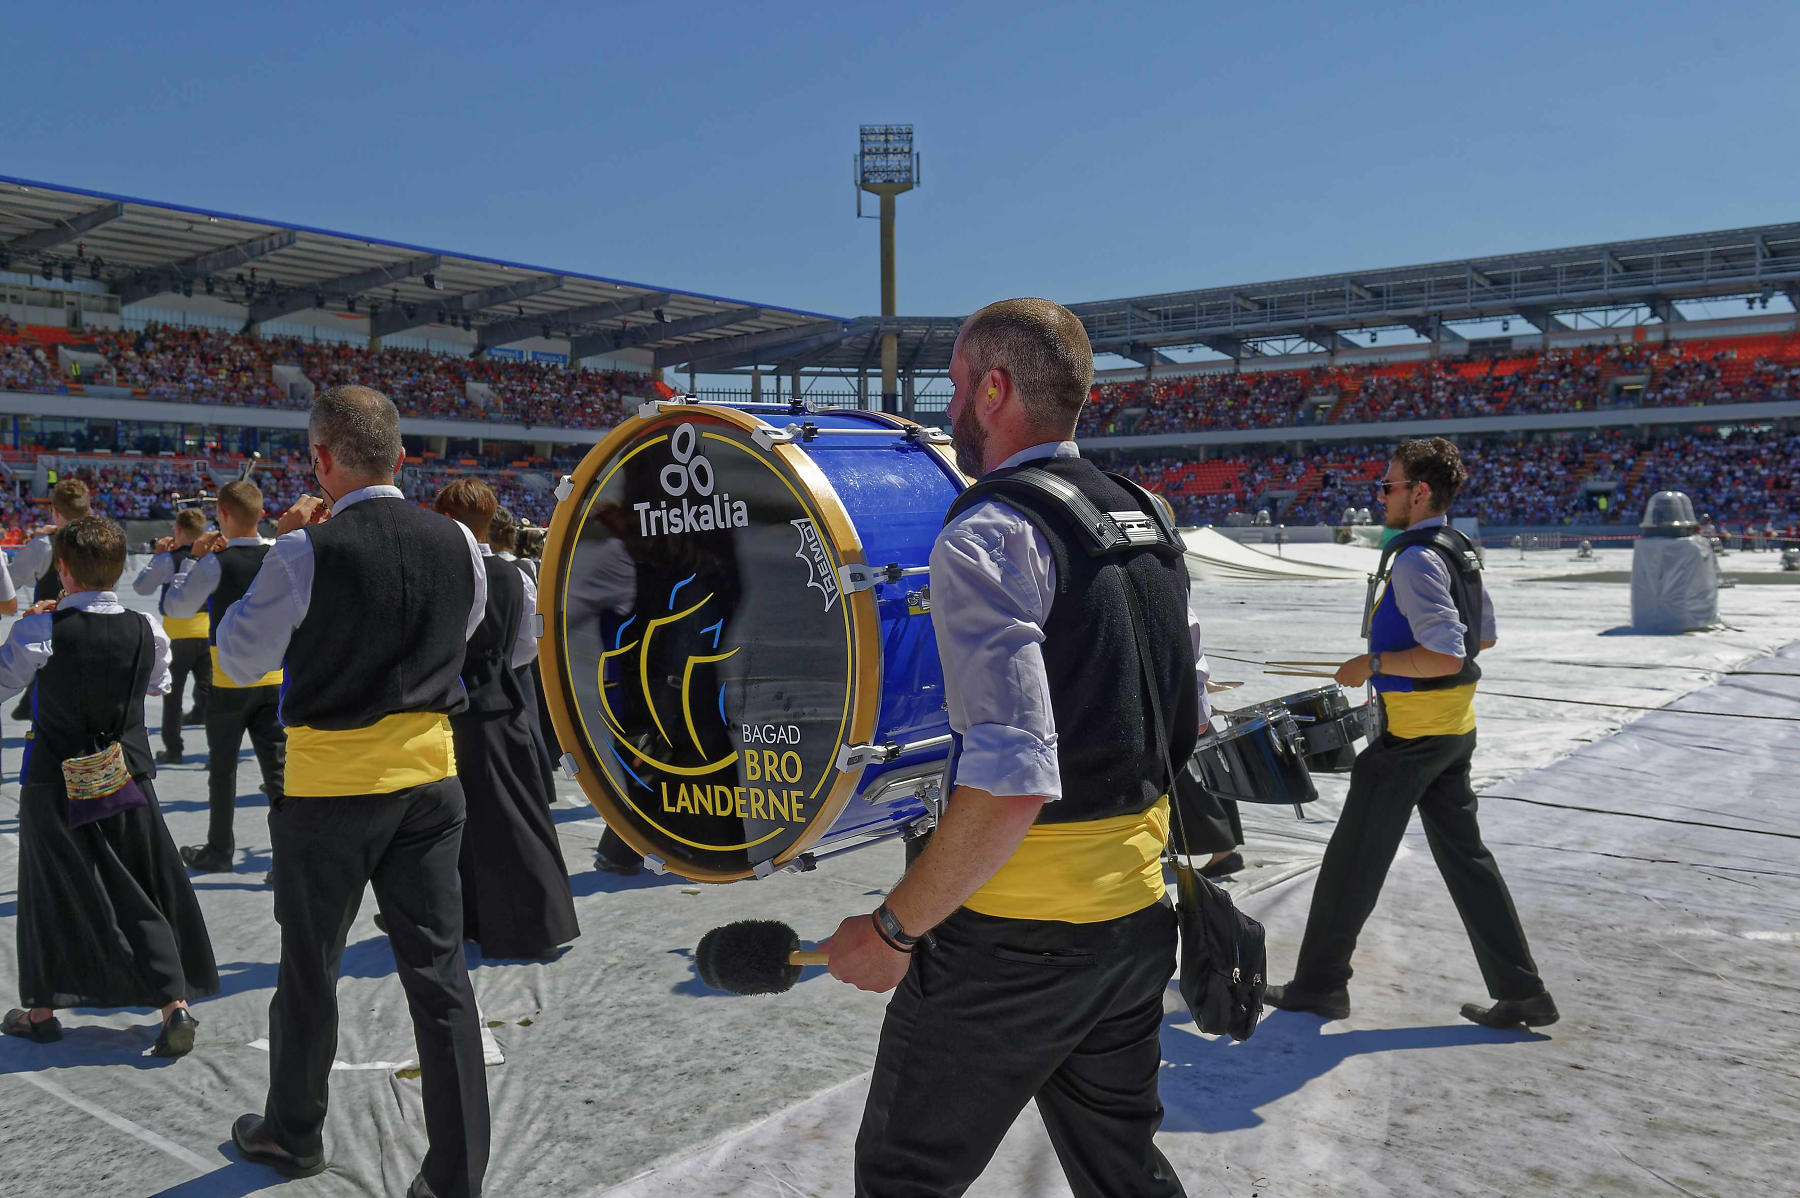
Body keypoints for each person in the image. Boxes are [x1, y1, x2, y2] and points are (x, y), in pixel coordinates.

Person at [825, 299, 1207, 1198]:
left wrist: (892, 929)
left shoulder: (989, 533)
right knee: (1124, 1177)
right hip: (1137, 926)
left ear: (994, 390)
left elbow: (1011, 780)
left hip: (1012, 945)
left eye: (956, 385)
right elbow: (1180, 717)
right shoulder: (1147, 514)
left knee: (901, 1178)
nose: (949, 407)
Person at [218, 385, 490, 1197]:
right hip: (430, 778)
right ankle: (456, 1175)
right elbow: (462, 632)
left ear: (321, 460)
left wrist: (289, 556)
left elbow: (238, 660)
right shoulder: (461, 544)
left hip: (332, 787)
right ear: (401, 458)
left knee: (310, 968)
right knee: (440, 981)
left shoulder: (304, 551)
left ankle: (293, 1133)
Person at [1266, 437, 1557, 1030]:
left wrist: (1372, 665)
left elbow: (1449, 654)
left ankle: (1320, 986)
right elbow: (1484, 638)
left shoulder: (1418, 557)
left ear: (1419, 492)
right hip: (1453, 730)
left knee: (1351, 863)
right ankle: (1522, 992)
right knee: (1467, 861)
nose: (1382, 496)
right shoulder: (1460, 548)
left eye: (1389, 485)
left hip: (1411, 739)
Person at [0, 515, 217, 1055]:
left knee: (50, 891)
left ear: (63, 571)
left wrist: (35, 626)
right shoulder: (149, 628)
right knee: (146, 884)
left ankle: (44, 1009)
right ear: (121, 571)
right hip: (126, 770)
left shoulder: (41, 629)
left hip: (55, 776)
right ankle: (174, 1006)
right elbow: (158, 683)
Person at [434, 478, 579, 961]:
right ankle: (519, 921)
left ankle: (503, 922)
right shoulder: (516, 575)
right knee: (514, 822)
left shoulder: (444, 570)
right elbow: (523, 649)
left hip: (459, 712)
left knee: (474, 827)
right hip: (503, 706)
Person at [162, 480, 286, 874]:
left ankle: (220, 850)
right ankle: (286, 857)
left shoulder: (214, 562)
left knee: (223, 772)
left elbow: (177, 608)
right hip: (274, 679)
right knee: (279, 774)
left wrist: (192, 560)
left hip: (229, 682)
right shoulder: (278, 555)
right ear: (261, 514)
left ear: (223, 515)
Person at [131, 506, 213, 764]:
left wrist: (158, 557)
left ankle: (174, 749)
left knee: (173, 694)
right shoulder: (213, 558)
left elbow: (142, 588)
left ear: (178, 530)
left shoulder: (171, 558)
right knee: (210, 694)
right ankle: (218, 751)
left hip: (178, 633)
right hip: (209, 631)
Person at [7, 479, 90, 719]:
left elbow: (12, 580)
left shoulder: (43, 545)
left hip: (48, 635)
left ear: (55, 511)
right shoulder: (102, 543)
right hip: (90, 631)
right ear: (89, 510)